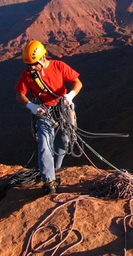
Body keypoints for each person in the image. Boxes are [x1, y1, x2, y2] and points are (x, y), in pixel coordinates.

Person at [15, 40, 82, 195]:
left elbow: (77, 83)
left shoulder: (59, 66)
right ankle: (48, 181)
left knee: (64, 141)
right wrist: (31, 106)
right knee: (44, 142)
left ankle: (54, 170)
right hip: (43, 112)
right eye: (29, 65)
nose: (32, 68)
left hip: (62, 109)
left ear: (43, 57)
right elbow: (20, 95)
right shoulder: (28, 75)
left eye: (34, 64)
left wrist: (70, 96)